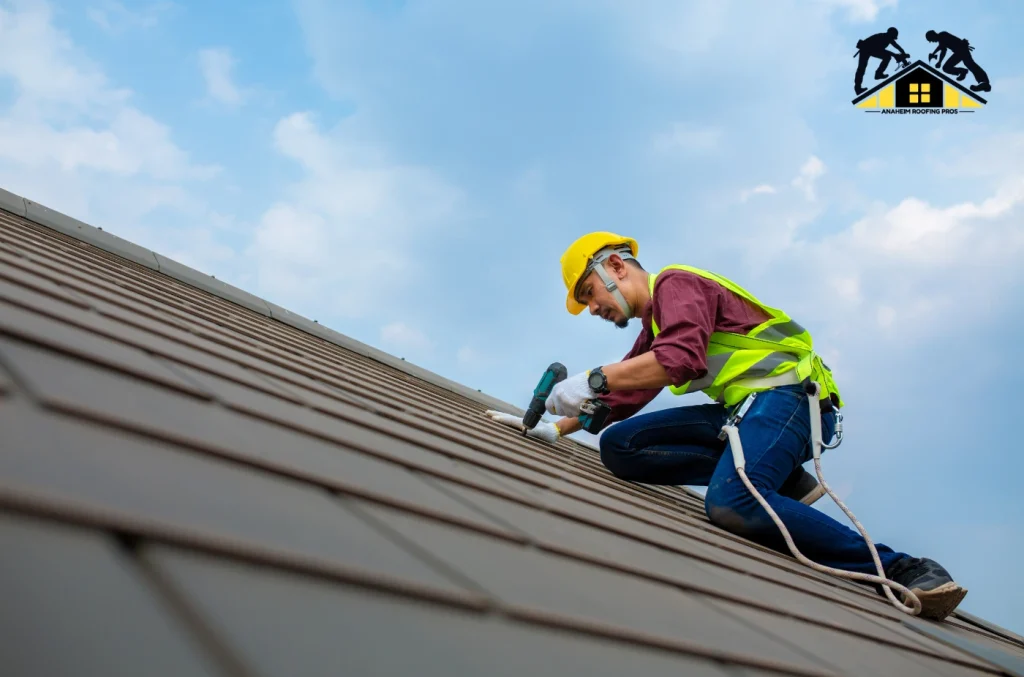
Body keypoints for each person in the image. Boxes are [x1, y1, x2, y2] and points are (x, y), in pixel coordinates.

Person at [485, 232, 968, 621]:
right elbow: (623, 394)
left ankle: (906, 569)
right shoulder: (654, 327)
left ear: (615, 267)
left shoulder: (677, 285)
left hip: (790, 399)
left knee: (731, 502)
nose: (593, 308)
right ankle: (776, 479)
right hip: (749, 413)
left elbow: (675, 361)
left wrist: (594, 377)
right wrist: (556, 428)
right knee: (619, 444)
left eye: (589, 294)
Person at [926, 29, 991, 93]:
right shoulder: (941, 38)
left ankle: (982, 82)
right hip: (960, 51)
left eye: (931, 40)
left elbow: (942, 48)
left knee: (967, 65)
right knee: (970, 64)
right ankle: (983, 82)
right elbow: (943, 49)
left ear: (933, 35)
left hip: (961, 50)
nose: (932, 41)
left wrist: (936, 57)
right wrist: (939, 60)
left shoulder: (943, 35)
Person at [853, 27, 909, 95]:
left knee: (887, 57)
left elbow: (897, 46)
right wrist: (895, 55)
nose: (892, 39)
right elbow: (878, 49)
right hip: (866, 48)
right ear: (890, 34)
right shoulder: (882, 37)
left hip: (870, 49)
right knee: (861, 68)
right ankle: (858, 87)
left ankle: (878, 74)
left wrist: (903, 54)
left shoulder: (889, 38)